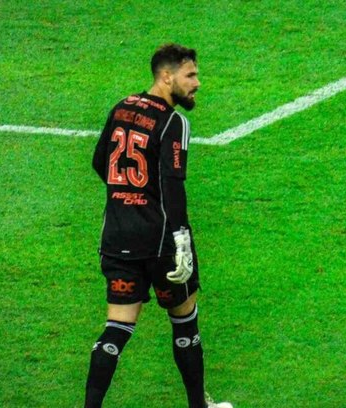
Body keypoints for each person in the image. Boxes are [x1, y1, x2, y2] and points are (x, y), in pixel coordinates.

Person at [86, 43, 232, 408]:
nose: (197, 83)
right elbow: (171, 186)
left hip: (117, 236)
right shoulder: (174, 122)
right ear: (167, 77)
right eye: (191, 75)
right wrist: (181, 241)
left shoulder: (121, 107)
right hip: (163, 243)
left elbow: (99, 161)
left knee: (117, 328)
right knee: (185, 322)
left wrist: (127, 196)